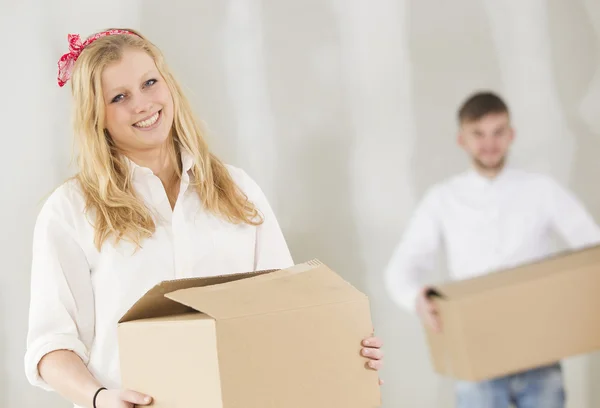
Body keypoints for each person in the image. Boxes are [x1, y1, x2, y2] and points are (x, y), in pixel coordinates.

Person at [24, 28, 384, 408]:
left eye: (150, 83)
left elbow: (282, 311)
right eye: (119, 97)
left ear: (169, 85)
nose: (143, 104)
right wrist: (99, 397)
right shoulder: (71, 210)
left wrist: (345, 350)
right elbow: (50, 346)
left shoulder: (237, 189)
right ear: (96, 115)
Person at [383, 91, 600, 408]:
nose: (489, 143)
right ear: (462, 140)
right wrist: (416, 298)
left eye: (498, 132)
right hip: (476, 357)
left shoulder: (541, 189)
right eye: (478, 134)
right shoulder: (442, 199)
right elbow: (401, 268)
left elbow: (592, 247)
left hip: (540, 350)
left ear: (511, 135)